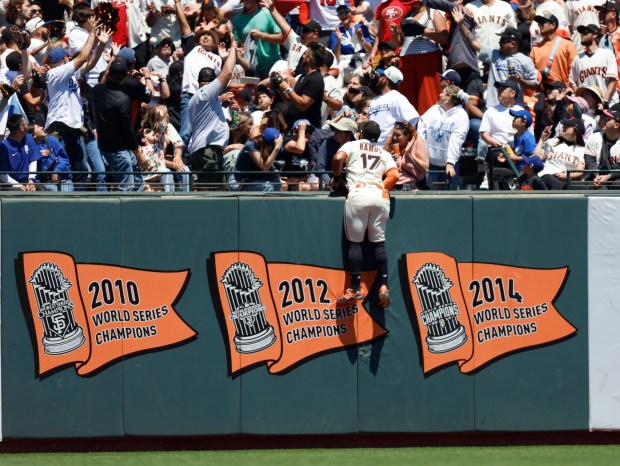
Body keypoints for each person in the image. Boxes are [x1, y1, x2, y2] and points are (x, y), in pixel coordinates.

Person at [331, 120, 399, 308]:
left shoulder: (352, 145)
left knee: (355, 242)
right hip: (379, 195)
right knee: (379, 243)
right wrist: (379, 187)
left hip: (358, 194)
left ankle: (354, 287)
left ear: (360, 133)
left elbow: (337, 159)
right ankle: (384, 285)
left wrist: (337, 177)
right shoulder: (383, 152)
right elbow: (394, 175)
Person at [45, 22, 110, 190]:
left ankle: (80, 200)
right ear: (61, 59)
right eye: (66, 55)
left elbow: (89, 64)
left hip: (73, 127)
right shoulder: (55, 73)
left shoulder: (68, 73)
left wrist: (101, 45)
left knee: (80, 169)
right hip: (60, 126)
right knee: (65, 168)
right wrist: (92, 34)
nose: (69, 56)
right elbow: (82, 58)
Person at [187, 32, 237, 190]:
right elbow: (227, 74)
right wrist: (233, 49)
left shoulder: (200, 97)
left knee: (211, 191)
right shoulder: (206, 92)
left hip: (205, 151)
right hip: (208, 152)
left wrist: (222, 59)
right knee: (212, 193)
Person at [90, 58, 147, 191]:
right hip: (116, 148)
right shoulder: (123, 99)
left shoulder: (97, 90)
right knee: (126, 188)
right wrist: (139, 155)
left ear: (108, 73)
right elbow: (127, 130)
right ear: (126, 76)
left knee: (138, 182)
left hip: (108, 144)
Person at [397, 0, 449, 116]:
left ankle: (428, 130)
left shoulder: (434, 13)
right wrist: (395, 33)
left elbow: (444, 38)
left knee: (428, 99)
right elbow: (398, 44)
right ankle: (408, 131)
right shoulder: (407, 16)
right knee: (407, 101)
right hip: (406, 58)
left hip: (428, 56)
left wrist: (424, 31)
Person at [418, 84, 469, 190]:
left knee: (449, 198)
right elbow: (421, 123)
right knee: (428, 196)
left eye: (443, 92)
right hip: (430, 163)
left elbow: (456, 140)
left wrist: (450, 163)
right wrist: (421, 149)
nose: (440, 94)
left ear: (449, 96)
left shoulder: (461, 116)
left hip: (449, 165)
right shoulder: (434, 109)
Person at [275, 42, 325, 129]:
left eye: (305, 54)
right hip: (292, 126)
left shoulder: (316, 79)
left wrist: (286, 86)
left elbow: (303, 105)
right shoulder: (303, 76)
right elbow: (292, 100)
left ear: (309, 58)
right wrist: (279, 88)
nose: (303, 56)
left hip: (306, 131)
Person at [367, 66, 419, 146]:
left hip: (388, 149)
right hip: (373, 148)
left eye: (381, 76)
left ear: (385, 80)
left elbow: (413, 118)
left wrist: (399, 140)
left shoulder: (396, 96)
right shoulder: (374, 99)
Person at [529, 117, 586, 190]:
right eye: (564, 124)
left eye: (567, 125)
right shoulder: (553, 142)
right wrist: (542, 139)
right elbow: (535, 159)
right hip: (547, 176)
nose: (563, 126)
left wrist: (566, 176)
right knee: (555, 183)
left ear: (575, 131)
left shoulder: (581, 149)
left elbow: (579, 172)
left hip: (565, 181)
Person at [570, 24, 619, 104]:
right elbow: (572, 82)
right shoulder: (577, 59)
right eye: (581, 33)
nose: (582, 35)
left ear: (595, 35)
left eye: (585, 32)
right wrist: (581, 99)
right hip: (589, 107)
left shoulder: (607, 54)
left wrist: (605, 100)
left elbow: (612, 80)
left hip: (609, 104)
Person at [530, 13, 577, 87]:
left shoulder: (567, 45)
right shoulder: (535, 48)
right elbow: (531, 72)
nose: (540, 25)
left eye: (543, 23)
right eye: (539, 24)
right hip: (542, 92)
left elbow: (574, 71)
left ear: (553, 25)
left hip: (562, 91)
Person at [384, 120, 429, 191]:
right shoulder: (391, 142)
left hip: (412, 189)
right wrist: (389, 159)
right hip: (393, 187)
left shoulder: (417, 142)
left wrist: (409, 154)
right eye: (394, 134)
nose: (395, 138)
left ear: (407, 136)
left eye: (398, 135)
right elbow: (381, 164)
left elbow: (426, 168)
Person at [30, 117, 73, 192]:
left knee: (66, 191)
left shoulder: (52, 141)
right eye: (38, 127)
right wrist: (38, 155)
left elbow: (64, 160)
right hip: (43, 184)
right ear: (33, 135)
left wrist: (57, 171)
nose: (42, 127)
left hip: (63, 181)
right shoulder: (30, 149)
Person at [234, 126, 283, 191]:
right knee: (268, 187)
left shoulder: (266, 149)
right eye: (273, 148)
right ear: (268, 145)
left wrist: (277, 171)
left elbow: (270, 171)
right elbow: (264, 168)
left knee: (277, 182)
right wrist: (276, 149)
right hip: (239, 182)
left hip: (256, 178)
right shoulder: (251, 145)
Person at [315, 117, 358, 189]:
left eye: (339, 130)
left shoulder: (356, 146)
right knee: (316, 184)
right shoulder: (328, 142)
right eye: (334, 129)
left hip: (348, 182)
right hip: (326, 178)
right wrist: (330, 183)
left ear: (349, 134)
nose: (335, 132)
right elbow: (320, 167)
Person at [0, 114, 38, 191]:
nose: (28, 125)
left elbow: (33, 160)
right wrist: (18, 186)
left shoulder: (29, 139)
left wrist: (31, 179)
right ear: (22, 127)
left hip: (29, 182)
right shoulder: (3, 146)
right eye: (26, 124)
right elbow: (2, 174)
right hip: (12, 186)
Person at [586, 105, 620, 189]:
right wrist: (597, 176)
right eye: (601, 117)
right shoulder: (594, 137)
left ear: (616, 125)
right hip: (597, 177)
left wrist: (607, 177)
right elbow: (590, 161)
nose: (601, 120)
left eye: (606, 118)